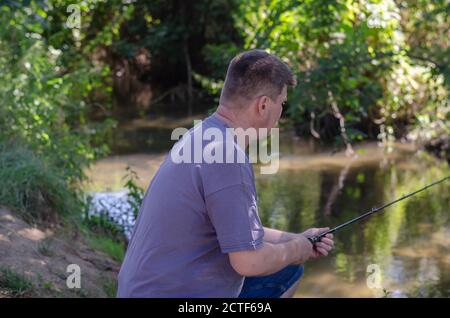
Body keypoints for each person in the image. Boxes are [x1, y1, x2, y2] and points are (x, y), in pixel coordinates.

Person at [117, 49, 334, 298]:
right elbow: (249, 262)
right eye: (282, 104)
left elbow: (241, 231)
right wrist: (298, 249)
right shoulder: (228, 158)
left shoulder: (201, 136)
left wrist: (297, 238)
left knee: (286, 271)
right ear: (263, 105)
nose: (281, 114)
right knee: (289, 268)